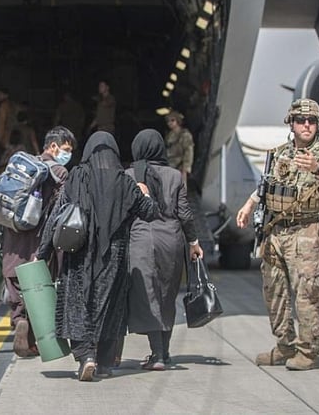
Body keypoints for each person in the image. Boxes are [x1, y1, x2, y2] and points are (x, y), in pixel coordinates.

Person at [37, 131, 156, 381]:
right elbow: (150, 213)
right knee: (109, 309)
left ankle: (85, 356)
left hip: (79, 255)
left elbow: (57, 215)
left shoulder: (77, 177)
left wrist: (43, 252)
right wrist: (144, 193)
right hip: (114, 258)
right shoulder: (125, 182)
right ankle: (103, 362)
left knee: (78, 306)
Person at [236, 98, 319, 371]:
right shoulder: (281, 153)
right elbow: (266, 184)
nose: (306, 125)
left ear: (318, 125)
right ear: (291, 124)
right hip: (276, 233)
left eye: (311, 121)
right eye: (300, 120)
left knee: (307, 293)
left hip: (308, 233)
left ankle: (307, 352)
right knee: (275, 291)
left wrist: (316, 169)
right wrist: (249, 205)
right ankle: (284, 346)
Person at [0, 126, 75, 357]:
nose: (67, 153)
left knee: (14, 279)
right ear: (52, 146)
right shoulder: (60, 173)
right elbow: (62, 211)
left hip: (12, 237)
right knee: (38, 286)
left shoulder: (20, 167)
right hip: (39, 240)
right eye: (66, 149)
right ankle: (31, 336)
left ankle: (18, 319)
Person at [125, 129, 203, 371]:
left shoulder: (129, 175)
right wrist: (193, 242)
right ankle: (164, 353)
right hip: (172, 239)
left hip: (141, 238)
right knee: (167, 295)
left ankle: (158, 354)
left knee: (147, 296)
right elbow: (185, 213)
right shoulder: (175, 175)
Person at [165, 111, 194, 182]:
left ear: (178, 121)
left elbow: (188, 151)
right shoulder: (168, 136)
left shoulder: (184, 134)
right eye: (168, 121)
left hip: (180, 166)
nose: (170, 123)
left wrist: (186, 167)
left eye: (172, 120)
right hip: (169, 165)